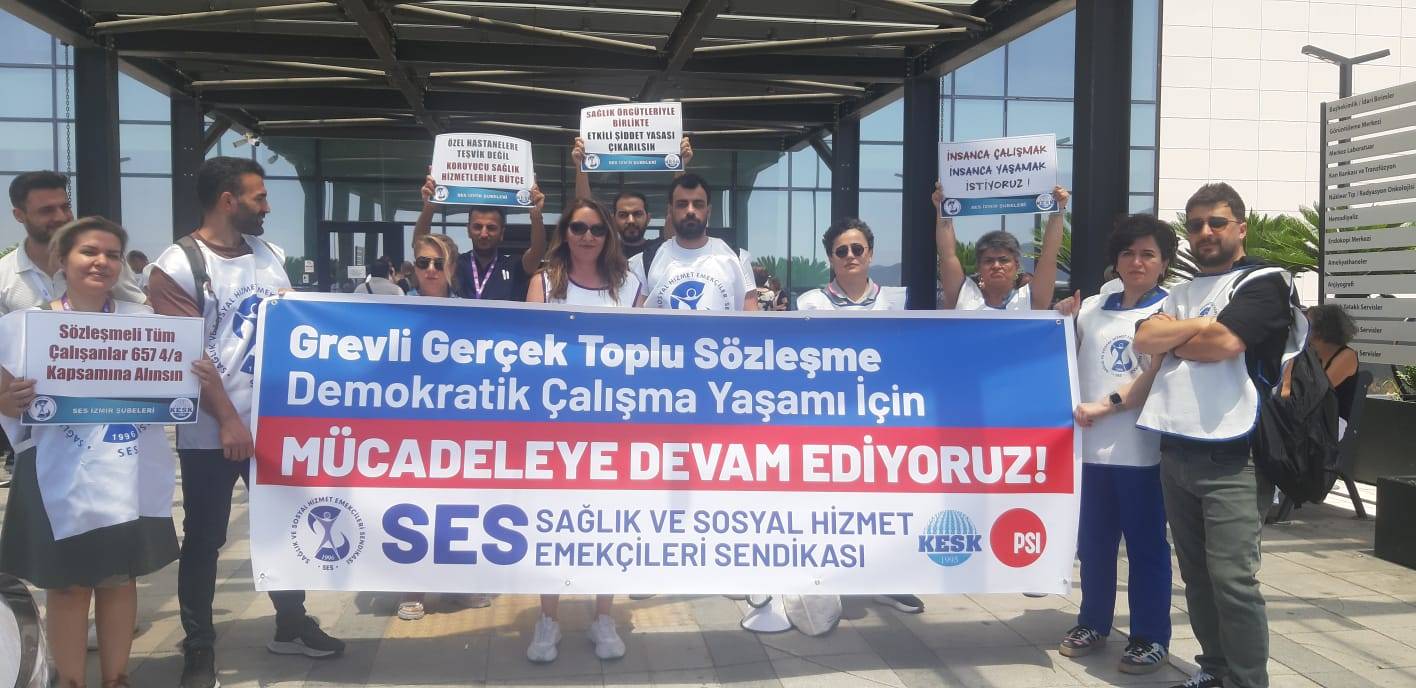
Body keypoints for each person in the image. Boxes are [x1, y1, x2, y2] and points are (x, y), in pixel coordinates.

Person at [147, 157, 345, 688]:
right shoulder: (177, 265)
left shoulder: (269, 255)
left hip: (275, 426)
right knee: (205, 538)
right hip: (212, 430)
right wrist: (230, 422)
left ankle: (291, 622)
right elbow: (190, 358)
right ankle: (199, 644)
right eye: (259, 197)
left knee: (283, 525)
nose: (268, 206)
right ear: (227, 200)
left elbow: (295, 328)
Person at [0, 217, 184, 688]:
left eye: (112, 254)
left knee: (119, 579)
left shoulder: (146, 324)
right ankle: (71, 682)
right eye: (89, 251)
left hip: (128, 469)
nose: (101, 261)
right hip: (55, 473)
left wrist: (192, 375)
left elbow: (173, 385)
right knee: (68, 585)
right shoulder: (23, 326)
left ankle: (116, 679)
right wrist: (6, 399)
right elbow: (4, 395)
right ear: (62, 260)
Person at [1135, 183, 1303, 688]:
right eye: (1195, 225)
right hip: (1175, 449)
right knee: (1196, 575)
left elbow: (1225, 344)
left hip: (1235, 455)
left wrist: (1180, 335)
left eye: (1217, 222)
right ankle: (1214, 670)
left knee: (1233, 580)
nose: (1205, 232)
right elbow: (1144, 338)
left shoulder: (1266, 282)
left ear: (1241, 228)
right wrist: (1197, 329)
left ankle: (1248, 681)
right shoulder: (1180, 291)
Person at [1055, 215, 1176, 674]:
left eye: (1148, 254)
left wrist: (1106, 406)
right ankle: (1093, 622)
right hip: (1088, 452)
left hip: (1141, 452)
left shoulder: (1170, 311)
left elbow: (1155, 375)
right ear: (1116, 260)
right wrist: (1061, 319)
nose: (1137, 262)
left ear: (1164, 263)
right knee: (1093, 545)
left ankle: (1149, 636)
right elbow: (1066, 356)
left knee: (1146, 548)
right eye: (1128, 253)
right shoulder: (1092, 308)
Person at [523, 199, 642, 662]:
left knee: (608, 521)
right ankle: (548, 618)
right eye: (578, 228)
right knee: (551, 522)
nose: (587, 236)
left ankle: (603, 616)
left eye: (596, 229)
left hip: (612, 426)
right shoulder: (544, 282)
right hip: (556, 426)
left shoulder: (629, 286)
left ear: (608, 234)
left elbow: (644, 353)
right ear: (565, 232)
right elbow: (530, 351)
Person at [795, 218, 924, 619]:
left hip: (883, 421)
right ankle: (826, 578)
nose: (850, 256)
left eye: (857, 249)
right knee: (829, 501)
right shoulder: (809, 303)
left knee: (884, 503)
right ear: (830, 258)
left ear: (870, 253)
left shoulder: (897, 301)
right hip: (827, 420)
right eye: (841, 251)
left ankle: (887, 580)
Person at [2, 172, 145, 316]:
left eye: (65, 207)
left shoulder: (106, 263)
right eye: (47, 211)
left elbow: (141, 314)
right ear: (19, 215)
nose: (60, 217)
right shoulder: (4, 274)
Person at [632, 174, 758, 312]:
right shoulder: (644, 262)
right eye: (682, 204)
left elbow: (752, 320)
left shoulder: (738, 259)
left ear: (708, 211)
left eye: (698, 204)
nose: (690, 211)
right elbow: (635, 321)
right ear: (670, 211)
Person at [935, 183, 1070, 310]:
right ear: (978, 267)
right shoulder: (962, 294)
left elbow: (1049, 256)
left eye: (1003, 260)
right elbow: (947, 255)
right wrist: (943, 210)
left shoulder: (1031, 299)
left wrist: (1058, 211)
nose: (996, 265)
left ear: (1016, 265)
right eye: (988, 261)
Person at [413, 180, 546, 301]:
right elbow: (421, 246)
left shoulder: (513, 266)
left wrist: (536, 216)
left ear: (502, 233)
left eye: (491, 228)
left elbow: (537, 252)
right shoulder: (455, 264)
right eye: (477, 227)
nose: (484, 233)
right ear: (468, 230)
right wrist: (429, 208)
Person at [572, 136, 694, 258]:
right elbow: (585, 212)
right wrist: (580, 166)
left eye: (637, 214)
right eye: (623, 215)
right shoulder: (605, 251)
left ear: (648, 218)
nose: (631, 220)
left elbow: (677, 213)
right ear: (613, 220)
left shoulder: (660, 251)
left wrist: (680, 165)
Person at [1303, 304, 1359, 436]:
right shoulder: (1312, 354)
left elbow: (1317, 391)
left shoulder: (1347, 356)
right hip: (1310, 417)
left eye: (1307, 323)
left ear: (1321, 330)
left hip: (1334, 421)